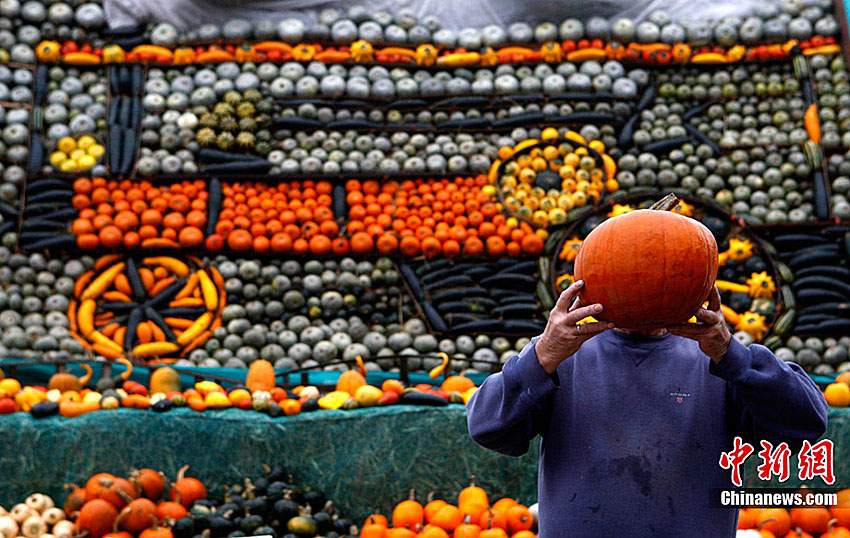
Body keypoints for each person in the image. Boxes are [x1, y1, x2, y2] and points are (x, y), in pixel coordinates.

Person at [467, 280, 828, 537]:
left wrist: (732, 354)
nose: (642, 280)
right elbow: (487, 428)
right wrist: (542, 355)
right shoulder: (563, 353)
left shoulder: (718, 360)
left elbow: (806, 426)